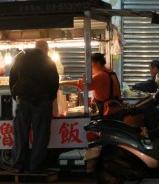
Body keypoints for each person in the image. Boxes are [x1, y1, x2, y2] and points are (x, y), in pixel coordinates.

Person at [9, 43, 60, 173]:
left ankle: (19, 165)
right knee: (40, 134)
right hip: (42, 102)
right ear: (45, 49)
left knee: (20, 133)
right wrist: (50, 98)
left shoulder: (21, 59)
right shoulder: (48, 61)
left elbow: (12, 78)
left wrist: (16, 96)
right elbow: (55, 82)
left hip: (23, 100)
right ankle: (35, 165)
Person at [61, 53, 122, 118]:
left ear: (98, 63)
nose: (91, 68)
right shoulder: (111, 73)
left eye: (91, 65)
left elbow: (83, 83)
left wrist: (63, 83)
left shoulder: (101, 75)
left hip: (109, 112)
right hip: (116, 108)